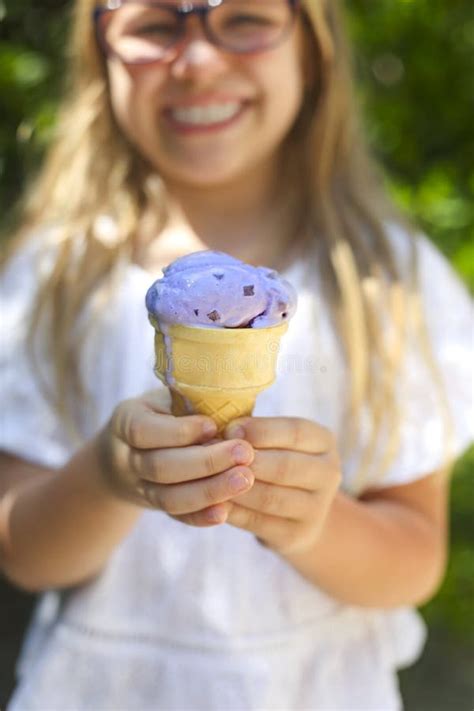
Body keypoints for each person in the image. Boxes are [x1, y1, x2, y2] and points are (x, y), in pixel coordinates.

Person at [0, 0, 472, 708]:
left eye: (244, 18)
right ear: (100, 51)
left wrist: (316, 523)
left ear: (311, 47)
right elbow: (22, 550)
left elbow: (415, 560)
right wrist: (107, 473)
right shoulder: (51, 280)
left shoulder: (393, 283)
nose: (197, 60)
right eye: (156, 25)